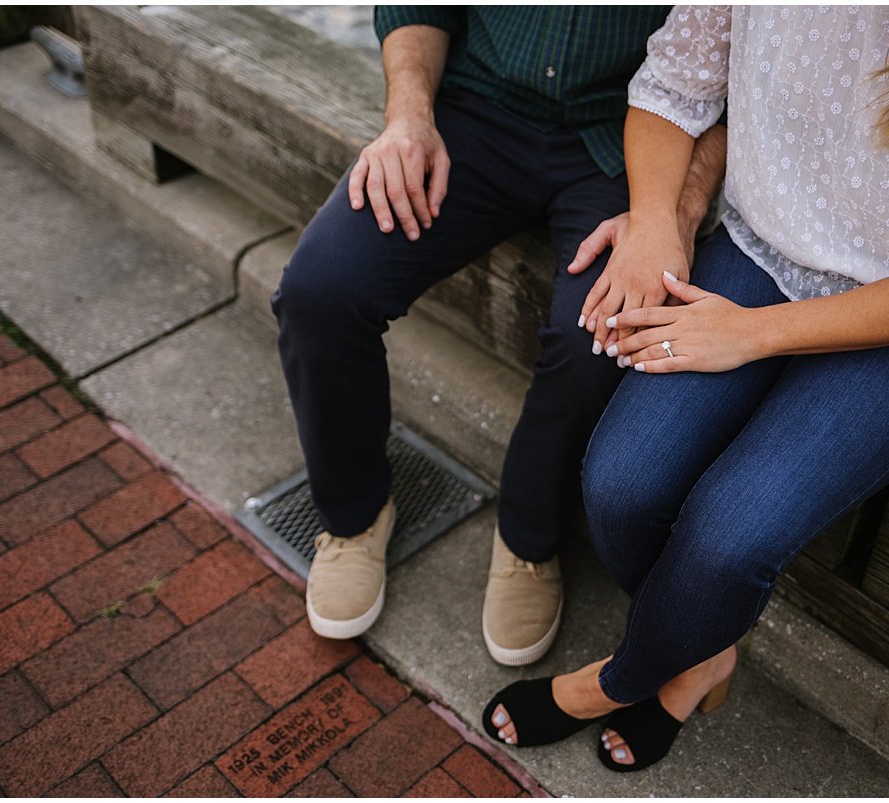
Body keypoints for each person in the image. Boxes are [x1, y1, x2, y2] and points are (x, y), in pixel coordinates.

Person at [483, 5, 889, 773]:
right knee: (621, 483)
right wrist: (657, 221)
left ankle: (618, 678)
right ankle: (701, 654)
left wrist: (751, 333)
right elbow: (673, 87)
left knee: (728, 540)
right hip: (759, 244)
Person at [270, 7, 728, 660]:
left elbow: (746, 86)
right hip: (471, 112)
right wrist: (407, 115)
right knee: (320, 291)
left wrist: (674, 215)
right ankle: (354, 516)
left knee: (598, 335)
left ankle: (528, 540)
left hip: (631, 147)